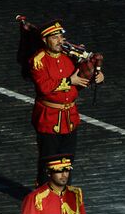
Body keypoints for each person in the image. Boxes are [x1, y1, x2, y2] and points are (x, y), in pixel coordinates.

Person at [29, 20, 104, 185]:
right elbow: (45, 87)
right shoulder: (38, 60)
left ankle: (64, 197)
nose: (59, 41)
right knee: (48, 163)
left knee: (67, 162)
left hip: (70, 118)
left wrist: (96, 77)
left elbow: (82, 77)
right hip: (48, 119)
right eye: (54, 37)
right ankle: (43, 198)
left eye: (60, 37)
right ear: (45, 40)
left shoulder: (70, 56)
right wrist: (70, 81)